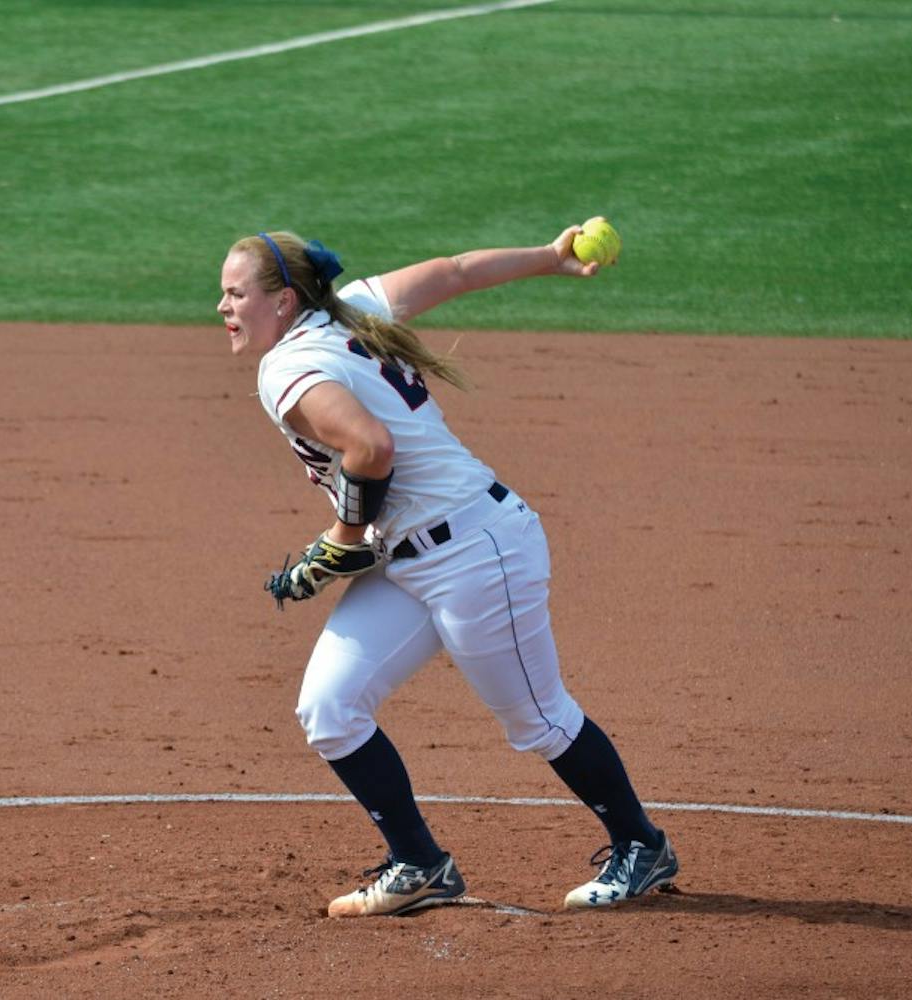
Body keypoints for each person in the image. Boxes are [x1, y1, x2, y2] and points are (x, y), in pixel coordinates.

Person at [217, 223, 678, 917]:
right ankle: (420, 864)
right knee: (330, 709)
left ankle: (641, 846)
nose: (222, 307)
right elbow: (455, 270)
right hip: (409, 558)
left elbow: (369, 449)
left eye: (235, 293)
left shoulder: (284, 367)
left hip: (476, 553)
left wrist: (339, 537)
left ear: (282, 302)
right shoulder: (354, 310)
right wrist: (549, 259)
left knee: (539, 720)